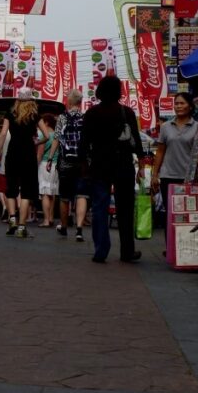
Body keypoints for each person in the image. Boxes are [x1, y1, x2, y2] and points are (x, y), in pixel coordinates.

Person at [79, 75, 144, 264]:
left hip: (99, 166)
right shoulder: (126, 112)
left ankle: (101, 250)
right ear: (118, 92)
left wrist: (84, 166)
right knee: (125, 209)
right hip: (123, 164)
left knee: (99, 208)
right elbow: (136, 140)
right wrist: (141, 162)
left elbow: (84, 143)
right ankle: (127, 251)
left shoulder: (92, 113)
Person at [152, 92, 198, 254]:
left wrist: (196, 169)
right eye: (176, 103)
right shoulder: (166, 127)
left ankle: (186, 247)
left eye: (182, 103)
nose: (178, 106)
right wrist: (155, 175)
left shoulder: (197, 126)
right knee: (170, 214)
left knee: (187, 214)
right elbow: (160, 152)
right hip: (168, 176)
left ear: (190, 106)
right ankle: (171, 248)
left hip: (187, 177)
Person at [0, 88, 42, 239]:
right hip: (28, 154)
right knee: (27, 191)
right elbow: (47, 135)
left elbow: (3, 133)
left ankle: (12, 220)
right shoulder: (34, 115)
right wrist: (37, 142)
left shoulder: (11, 113)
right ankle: (22, 227)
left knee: (11, 188)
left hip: (12, 153)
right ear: (31, 100)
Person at [54, 88, 88, 241]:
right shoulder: (85, 118)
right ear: (80, 102)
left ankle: (64, 227)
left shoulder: (62, 118)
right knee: (81, 195)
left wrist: (50, 158)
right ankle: (79, 229)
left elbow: (57, 138)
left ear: (69, 101)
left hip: (65, 162)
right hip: (82, 162)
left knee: (64, 196)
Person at [36, 113, 59, 227]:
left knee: (44, 192)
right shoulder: (56, 135)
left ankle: (45, 220)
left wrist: (36, 164)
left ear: (46, 123)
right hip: (55, 165)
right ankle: (51, 217)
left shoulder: (43, 135)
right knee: (52, 192)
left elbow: (40, 154)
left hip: (45, 164)